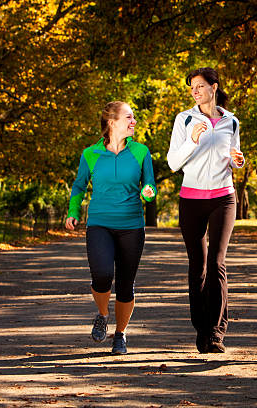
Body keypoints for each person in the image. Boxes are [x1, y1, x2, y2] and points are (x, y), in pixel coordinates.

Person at [65, 101, 156, 355]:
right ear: (112, 122)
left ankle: (120, 335)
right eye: (129, 117)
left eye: (134, 117)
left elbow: (149, 186)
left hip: (131, 225)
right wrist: (73, 212)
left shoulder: (141, 152)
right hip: (99, 224)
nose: (134, 122)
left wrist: (148, 194)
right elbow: (79, 187)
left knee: (126, 284)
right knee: (102, 276)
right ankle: (103, 315)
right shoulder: (90, 154)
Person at [167, 67, 245, 353]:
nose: (195, 91)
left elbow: (233, 158)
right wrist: (192, 140)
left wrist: (239, 160)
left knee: (217, 262)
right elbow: (173, 163)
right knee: (197, 266)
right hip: (191, 199)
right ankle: (201, 329)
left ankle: (216, 332)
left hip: (224, 198)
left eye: (200, 86)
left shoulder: (231, 121)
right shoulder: (184, 119)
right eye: (192, 87)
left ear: (214, 87)